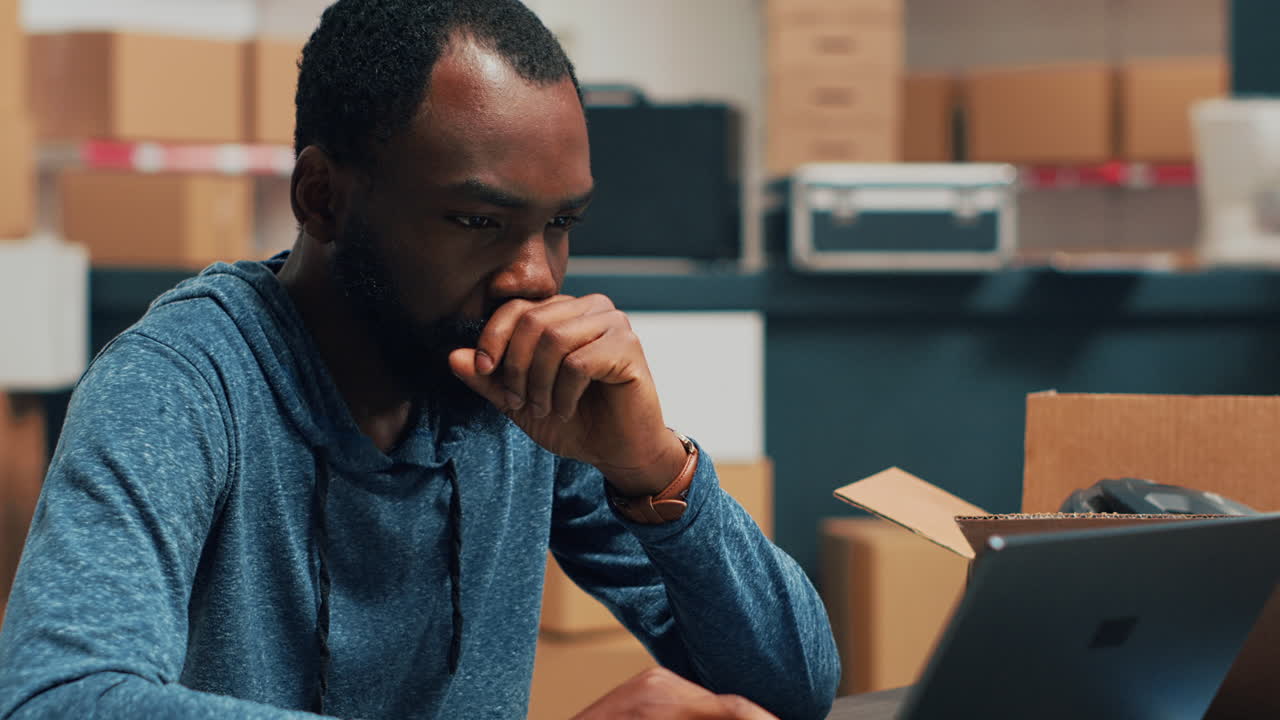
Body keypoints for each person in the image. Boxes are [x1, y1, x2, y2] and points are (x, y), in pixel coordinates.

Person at [0, 1, 840, 718]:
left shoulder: (514, 385)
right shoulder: (180, 382)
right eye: (479, 222)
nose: (537, 278)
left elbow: (795, 688)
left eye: (562, 225)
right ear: (321, 197)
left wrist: (655, 471)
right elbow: (59, 698)